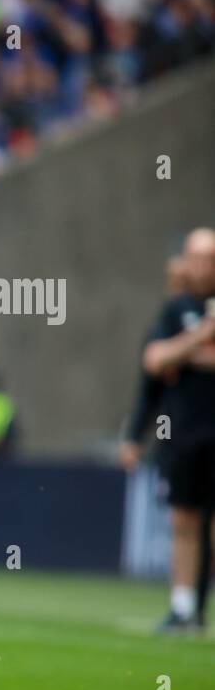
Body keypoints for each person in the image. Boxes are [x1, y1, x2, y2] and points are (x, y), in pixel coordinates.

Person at [141, 227, 215, 634]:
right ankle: (183, 607)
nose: (203, 266)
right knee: (184, 520)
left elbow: (173, 359)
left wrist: (185, 357)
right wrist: (200, 340)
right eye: (197, 257)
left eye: (211, 258)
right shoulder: (176, 309)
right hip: (185, 433)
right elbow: (154, 359)